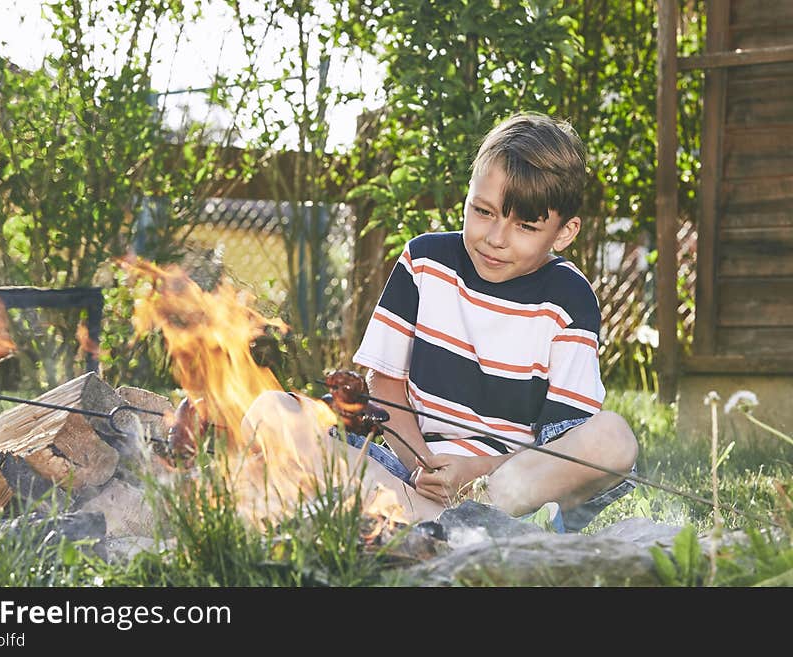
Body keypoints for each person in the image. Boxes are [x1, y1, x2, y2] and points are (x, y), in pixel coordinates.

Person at [244, 112, 638, 531]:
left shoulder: (568, 297)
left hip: (509, 489)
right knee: (271, 409)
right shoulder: (424, 263)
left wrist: (478, 473)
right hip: (404, 470)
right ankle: (435, 522)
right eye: (483, 212)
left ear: (563, 232)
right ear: (466, 197)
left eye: (524, 225)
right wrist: (422, 466)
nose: (496, 238)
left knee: (611, 438)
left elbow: (563, 441)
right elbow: (385, 386)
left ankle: (428, 520)